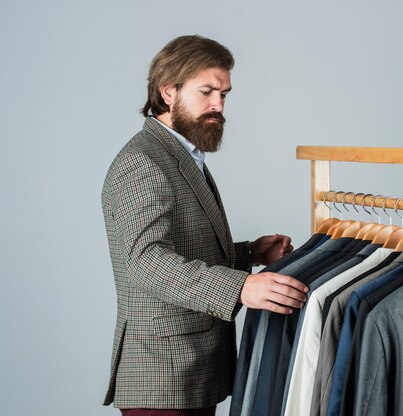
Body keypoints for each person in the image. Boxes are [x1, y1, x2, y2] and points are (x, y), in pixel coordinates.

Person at [101, 35, 309, 416]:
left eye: (224, 94)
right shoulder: (142, 161)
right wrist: (242, 287)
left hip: (192, 369)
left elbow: (185, 248)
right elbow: (146, 262)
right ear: (168, 92)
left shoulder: (181, 153)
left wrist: (248, 253)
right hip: (162, 376)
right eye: (207, 92)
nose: (219, 105)